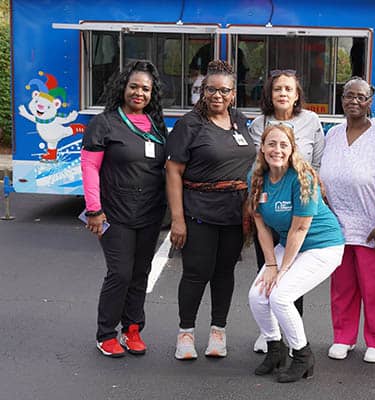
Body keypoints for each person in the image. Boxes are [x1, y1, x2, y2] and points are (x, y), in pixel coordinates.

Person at [166, 60, 256, 360]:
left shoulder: (240, 120)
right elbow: (174, 171)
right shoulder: (189, 124)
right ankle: (186, 335)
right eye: (211, 89)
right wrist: (177, 219)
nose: (218, 95)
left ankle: (219, 332)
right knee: (195, 273)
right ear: (202, 91)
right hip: (198, 210)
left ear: (234, 93)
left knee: (224, 274)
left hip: (234, 213)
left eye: (224, 90)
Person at [81, 60, 168, 358]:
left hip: (150, 213)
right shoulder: (104, 123)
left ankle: (132, 329)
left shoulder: (156, 125)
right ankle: (105, 333)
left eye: (145, 88)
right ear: (123, 88)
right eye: (134, 86)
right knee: (119, 272)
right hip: (114, 213)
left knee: (140, 272)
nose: (139, 93)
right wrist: (94, 210)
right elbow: (90, 167)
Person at [247, 124, 344, 383]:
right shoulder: (256, 177)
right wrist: (270, 265)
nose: (276, 149)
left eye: (283, 145)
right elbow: (261, 226)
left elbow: (299, 230)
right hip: (289, 245)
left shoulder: (303, 178)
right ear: (263, 147)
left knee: (280, 296)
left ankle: (302, 356)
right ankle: (275, 349)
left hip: (323, 245)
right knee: (257, 295)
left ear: (292, 150)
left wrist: (282, 270)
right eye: (271, 144)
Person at [319, 77, 375, 363]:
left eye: (360, 97)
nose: (354, 101)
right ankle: (344, 337)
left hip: (371, 227)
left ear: (370, 100)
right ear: (341, 99)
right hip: (338, 227)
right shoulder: (333, 134)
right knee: (342, 287)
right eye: (348, 96)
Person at [248, 68, 325, 353]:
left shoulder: (311, 121)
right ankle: (269, 333)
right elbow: (260, 163)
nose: (282, 93)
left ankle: (294, 333)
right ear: (269, 94)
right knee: (268, 265)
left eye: (288, 89)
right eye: (277, 88)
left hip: (299, 207)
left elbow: (317, 161)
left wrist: (310, 190)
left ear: (296, 95)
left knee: (292, 271)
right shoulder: (258, 124)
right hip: (269, 206)